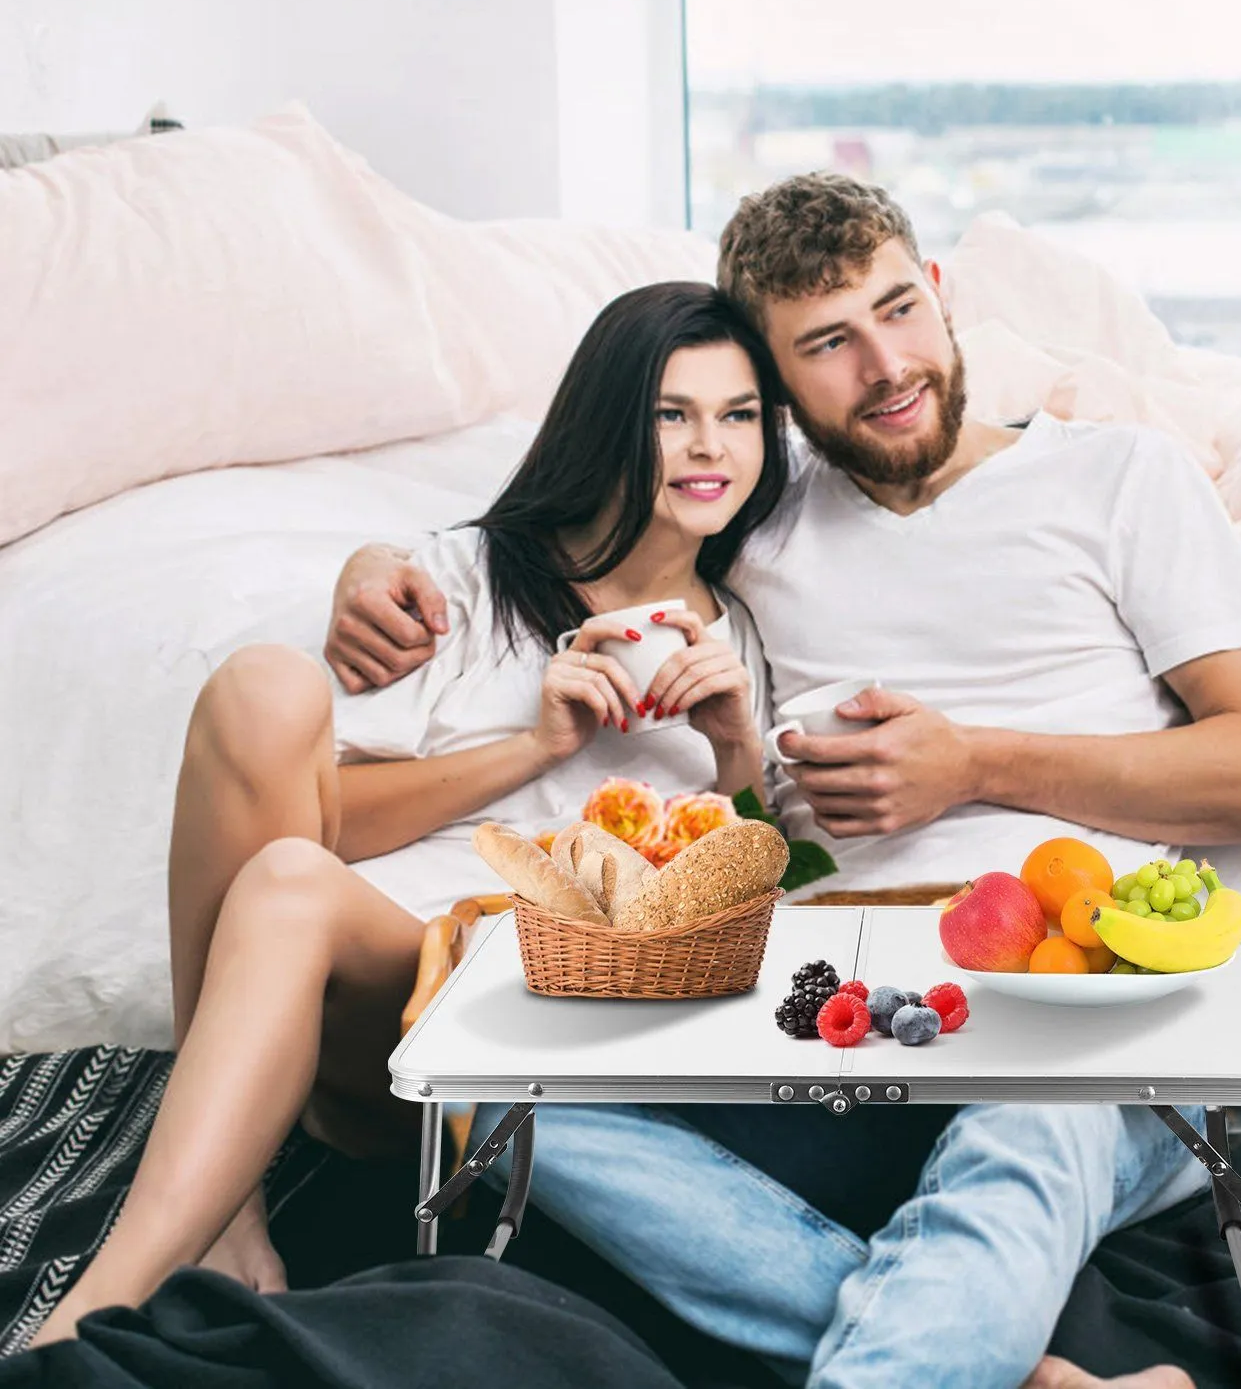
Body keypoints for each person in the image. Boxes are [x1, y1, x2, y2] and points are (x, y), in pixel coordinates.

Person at [328, 174, 1241, 1389]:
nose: (888, 365)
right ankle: (1019, 1372)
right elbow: (543, 521)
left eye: (901, 310)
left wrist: (975, 764)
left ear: (943, 296)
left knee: (1035, 1121)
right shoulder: (755, 513)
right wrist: (376, 567)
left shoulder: (1120, 479)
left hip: (1082, 1020)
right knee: (516, 1109)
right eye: (829, 345)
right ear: (780, 388)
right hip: (833, 1038)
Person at [26, 281, 790, 1349]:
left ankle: (108, 1296)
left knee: (291, 886)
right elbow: (322, 830)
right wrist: (533, 748)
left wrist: (734, 748)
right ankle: (172, 1253)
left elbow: (780, 893)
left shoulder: (747, 639)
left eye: (740, 414)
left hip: (516, 1010)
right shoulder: (463, 581)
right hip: (365, 978)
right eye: (673, 412)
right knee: (266, 697)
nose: (710, 445)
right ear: (609, 417)